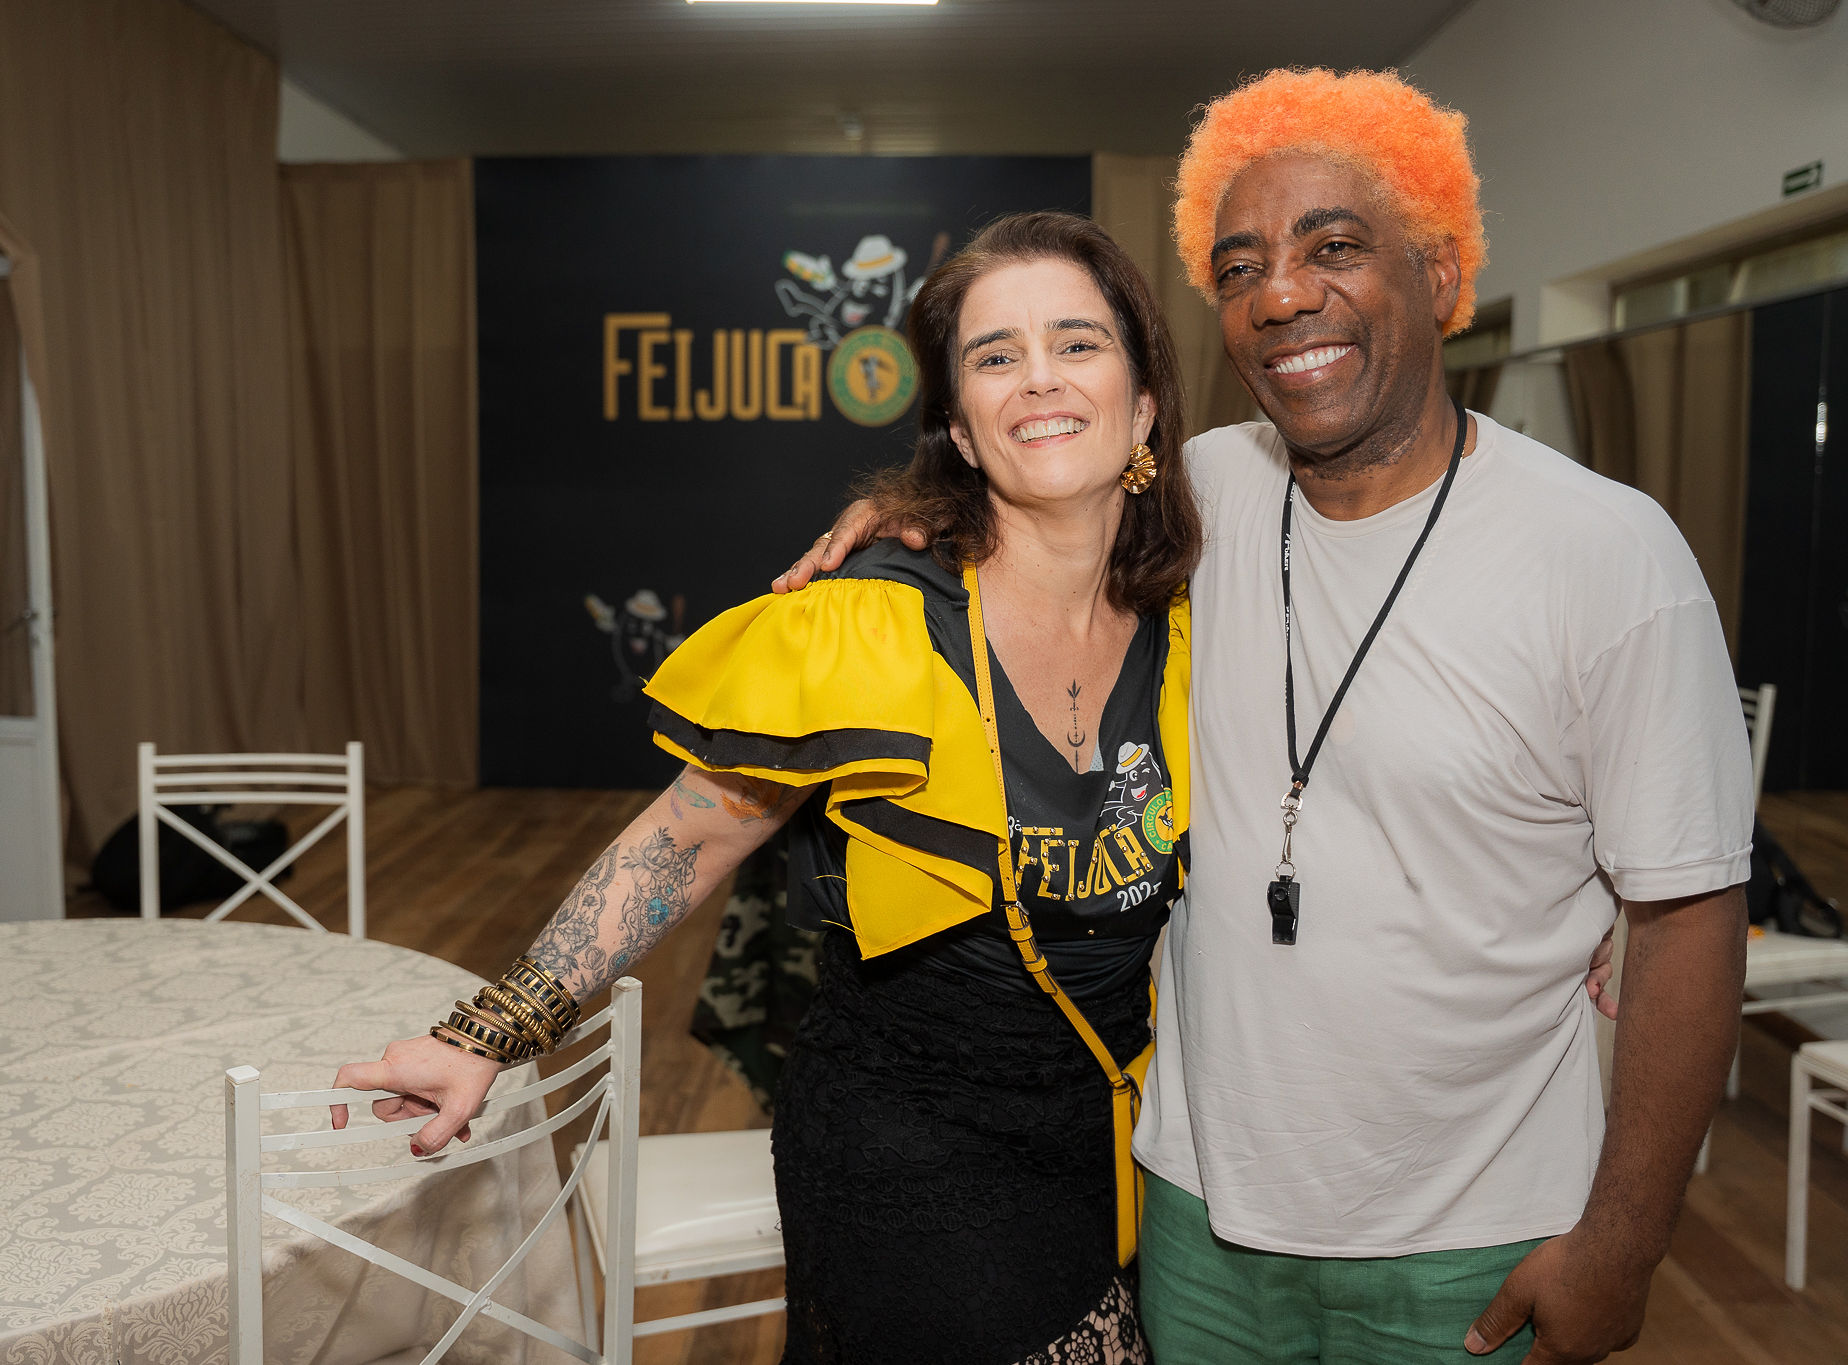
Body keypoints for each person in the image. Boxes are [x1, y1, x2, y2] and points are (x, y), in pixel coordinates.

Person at [782, 68, 1748, 1365]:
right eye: (1239, 267)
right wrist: (903, 519)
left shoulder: (1607, 555)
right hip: (1196, 1221)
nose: (1281, 295)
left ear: (1440, 273)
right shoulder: (1189, 503)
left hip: (1473, 1243)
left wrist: (1624, 1244)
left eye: (1332, 248)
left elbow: (1688, 915)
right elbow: (1018, 506)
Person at [334, 210, 1205, 1365]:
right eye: (995, 355)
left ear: (1142, 404)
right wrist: (488, 1033)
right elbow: (687, 837)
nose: (1037, 378)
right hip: (910, 1145)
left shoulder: (1194, 622)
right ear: (957, 424)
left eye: (1076, 343)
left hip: (1118, 1131)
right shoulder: (868, 621)